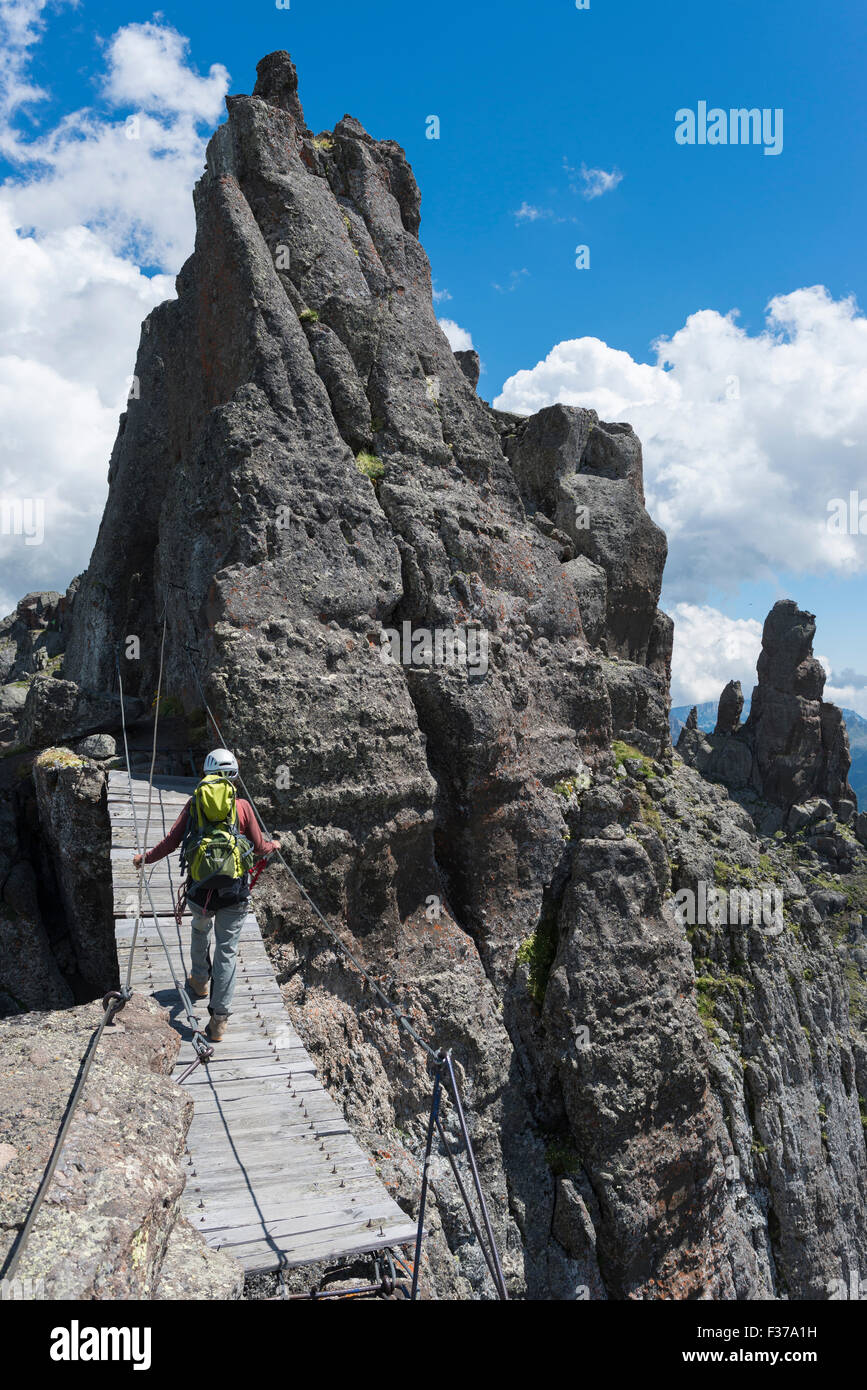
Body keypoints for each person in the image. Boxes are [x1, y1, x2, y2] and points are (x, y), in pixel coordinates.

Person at [133, 748, 280, 1042]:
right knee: (226, 952)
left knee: (200, 932)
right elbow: (260, 847)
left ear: (206, 775)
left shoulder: (194, 803)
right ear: (235, 777)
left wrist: (144, 859)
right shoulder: (242, 807)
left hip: (201, 892)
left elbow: (171, 842)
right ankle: (219, 1022)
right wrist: (275, 844)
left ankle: (199, 981)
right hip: (234, 892)